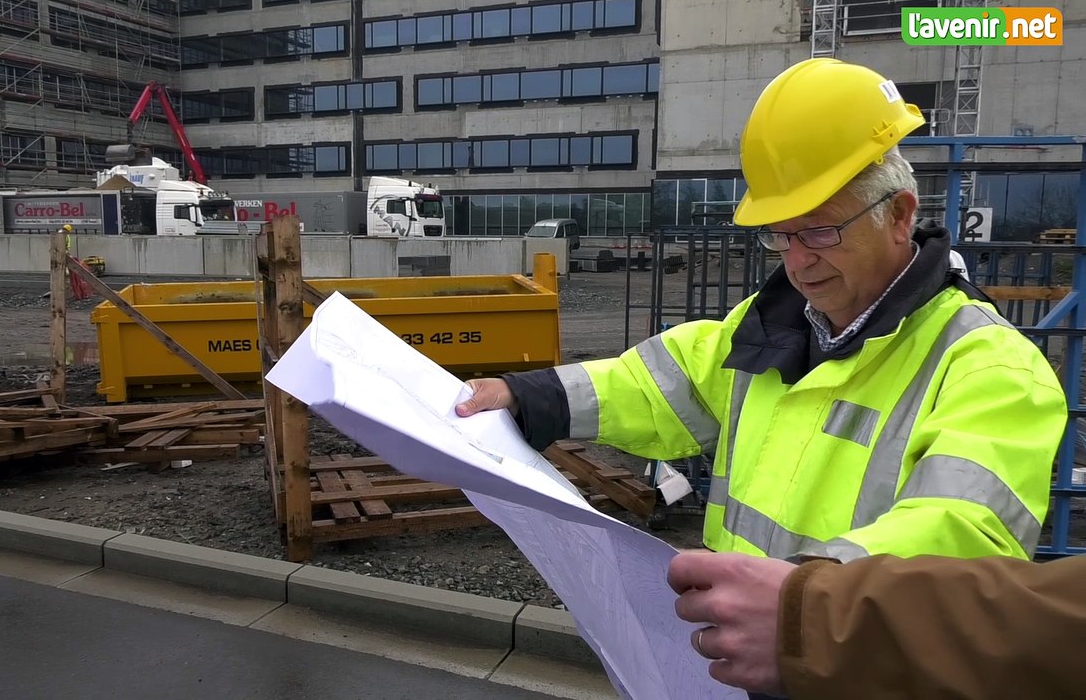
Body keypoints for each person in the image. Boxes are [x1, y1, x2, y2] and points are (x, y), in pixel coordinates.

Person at [455, 57, 1067, 565]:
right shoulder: (770, 325)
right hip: (746, 650)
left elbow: (962, 533)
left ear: (900, 215)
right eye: (781, 234)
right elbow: (651, 387)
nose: (797, 261)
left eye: (820, 231)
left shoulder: (989, 369)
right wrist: (525, 396)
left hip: (850, 656)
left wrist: (801, 604)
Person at [666, 550, 1086, 699]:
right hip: (761, 641)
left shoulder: (991, 378)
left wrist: (810, 611)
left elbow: (957, 522)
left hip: (826, 657)